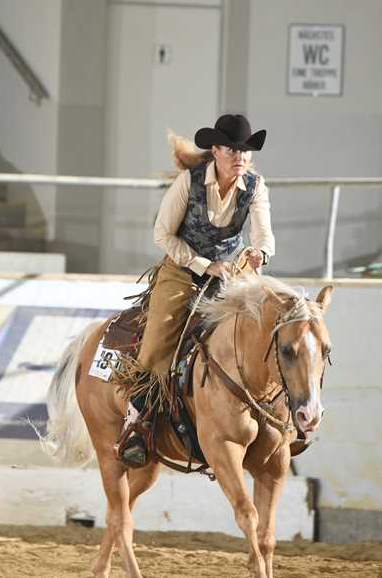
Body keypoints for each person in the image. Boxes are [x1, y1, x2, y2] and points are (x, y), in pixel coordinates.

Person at [116, 113, 276, 467]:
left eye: (245, 151)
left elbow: (263, 233)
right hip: (182, 270)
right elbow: (162, 234)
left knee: (264, 326)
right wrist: (203, 265)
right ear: (215, 151)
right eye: (232, 150)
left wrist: (260, 252)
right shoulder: (188, 182)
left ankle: (277, 416)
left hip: (231, 273)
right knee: (159, 337)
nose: (240, 157)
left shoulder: (256, 186)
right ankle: (136, 423)